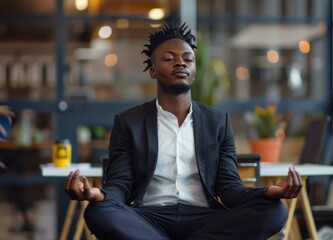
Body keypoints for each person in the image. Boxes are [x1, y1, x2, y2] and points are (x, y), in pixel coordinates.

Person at [65, 22, 302, 240]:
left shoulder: (217, 121)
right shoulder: (129, 122)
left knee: (273, 210)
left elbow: (229, 188)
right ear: (153, 71)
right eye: (169, 58)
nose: (181, 63)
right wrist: (98, 194)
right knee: (98, 212)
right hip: (148, 219)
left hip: (203, 219)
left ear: (195, 70)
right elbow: (121, 184)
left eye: (188, 59)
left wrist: (271, 191)